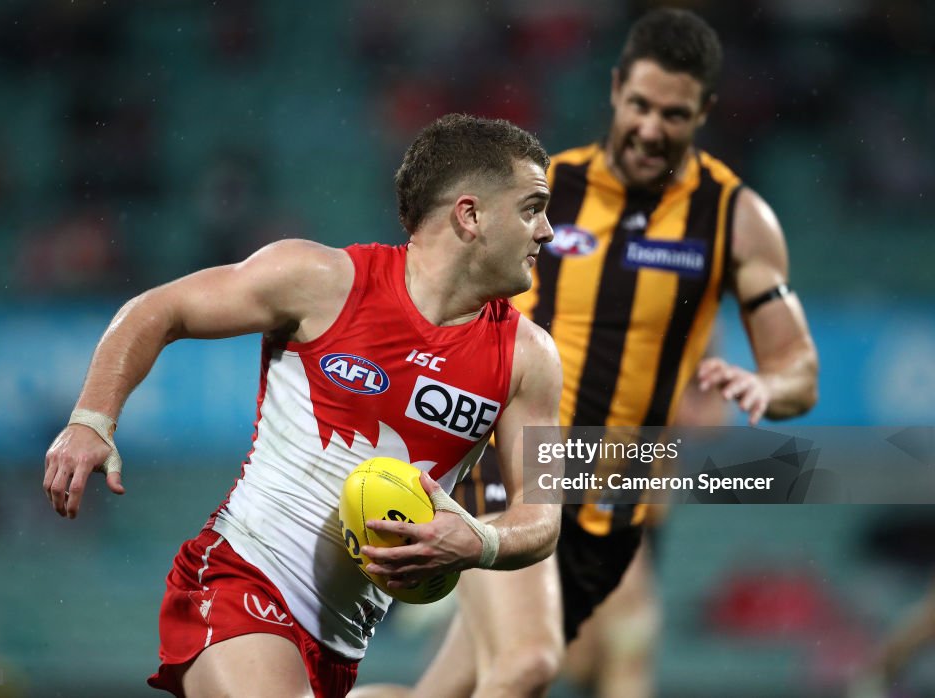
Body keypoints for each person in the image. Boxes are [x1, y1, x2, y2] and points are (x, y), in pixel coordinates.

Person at [350, 8, 819, 698]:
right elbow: (446, 296)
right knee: (534, 664)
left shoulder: (734, 219)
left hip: (620, 497)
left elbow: (797, 371)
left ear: (706, 112)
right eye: (640, 105)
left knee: (483, 681)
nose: (652, 128)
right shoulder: (543, 190)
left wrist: (764, 389)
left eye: (675, 114)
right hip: (517, 461)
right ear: (615, 87)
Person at [41, 113, 565, 698]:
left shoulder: (531, 358)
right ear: (469, 215)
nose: (547, 231)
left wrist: (480, 541)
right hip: (241, 577)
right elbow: (156, 310)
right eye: (532, 207)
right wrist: (90, 420)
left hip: (341, 643)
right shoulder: (320, 279)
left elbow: (542, 516)